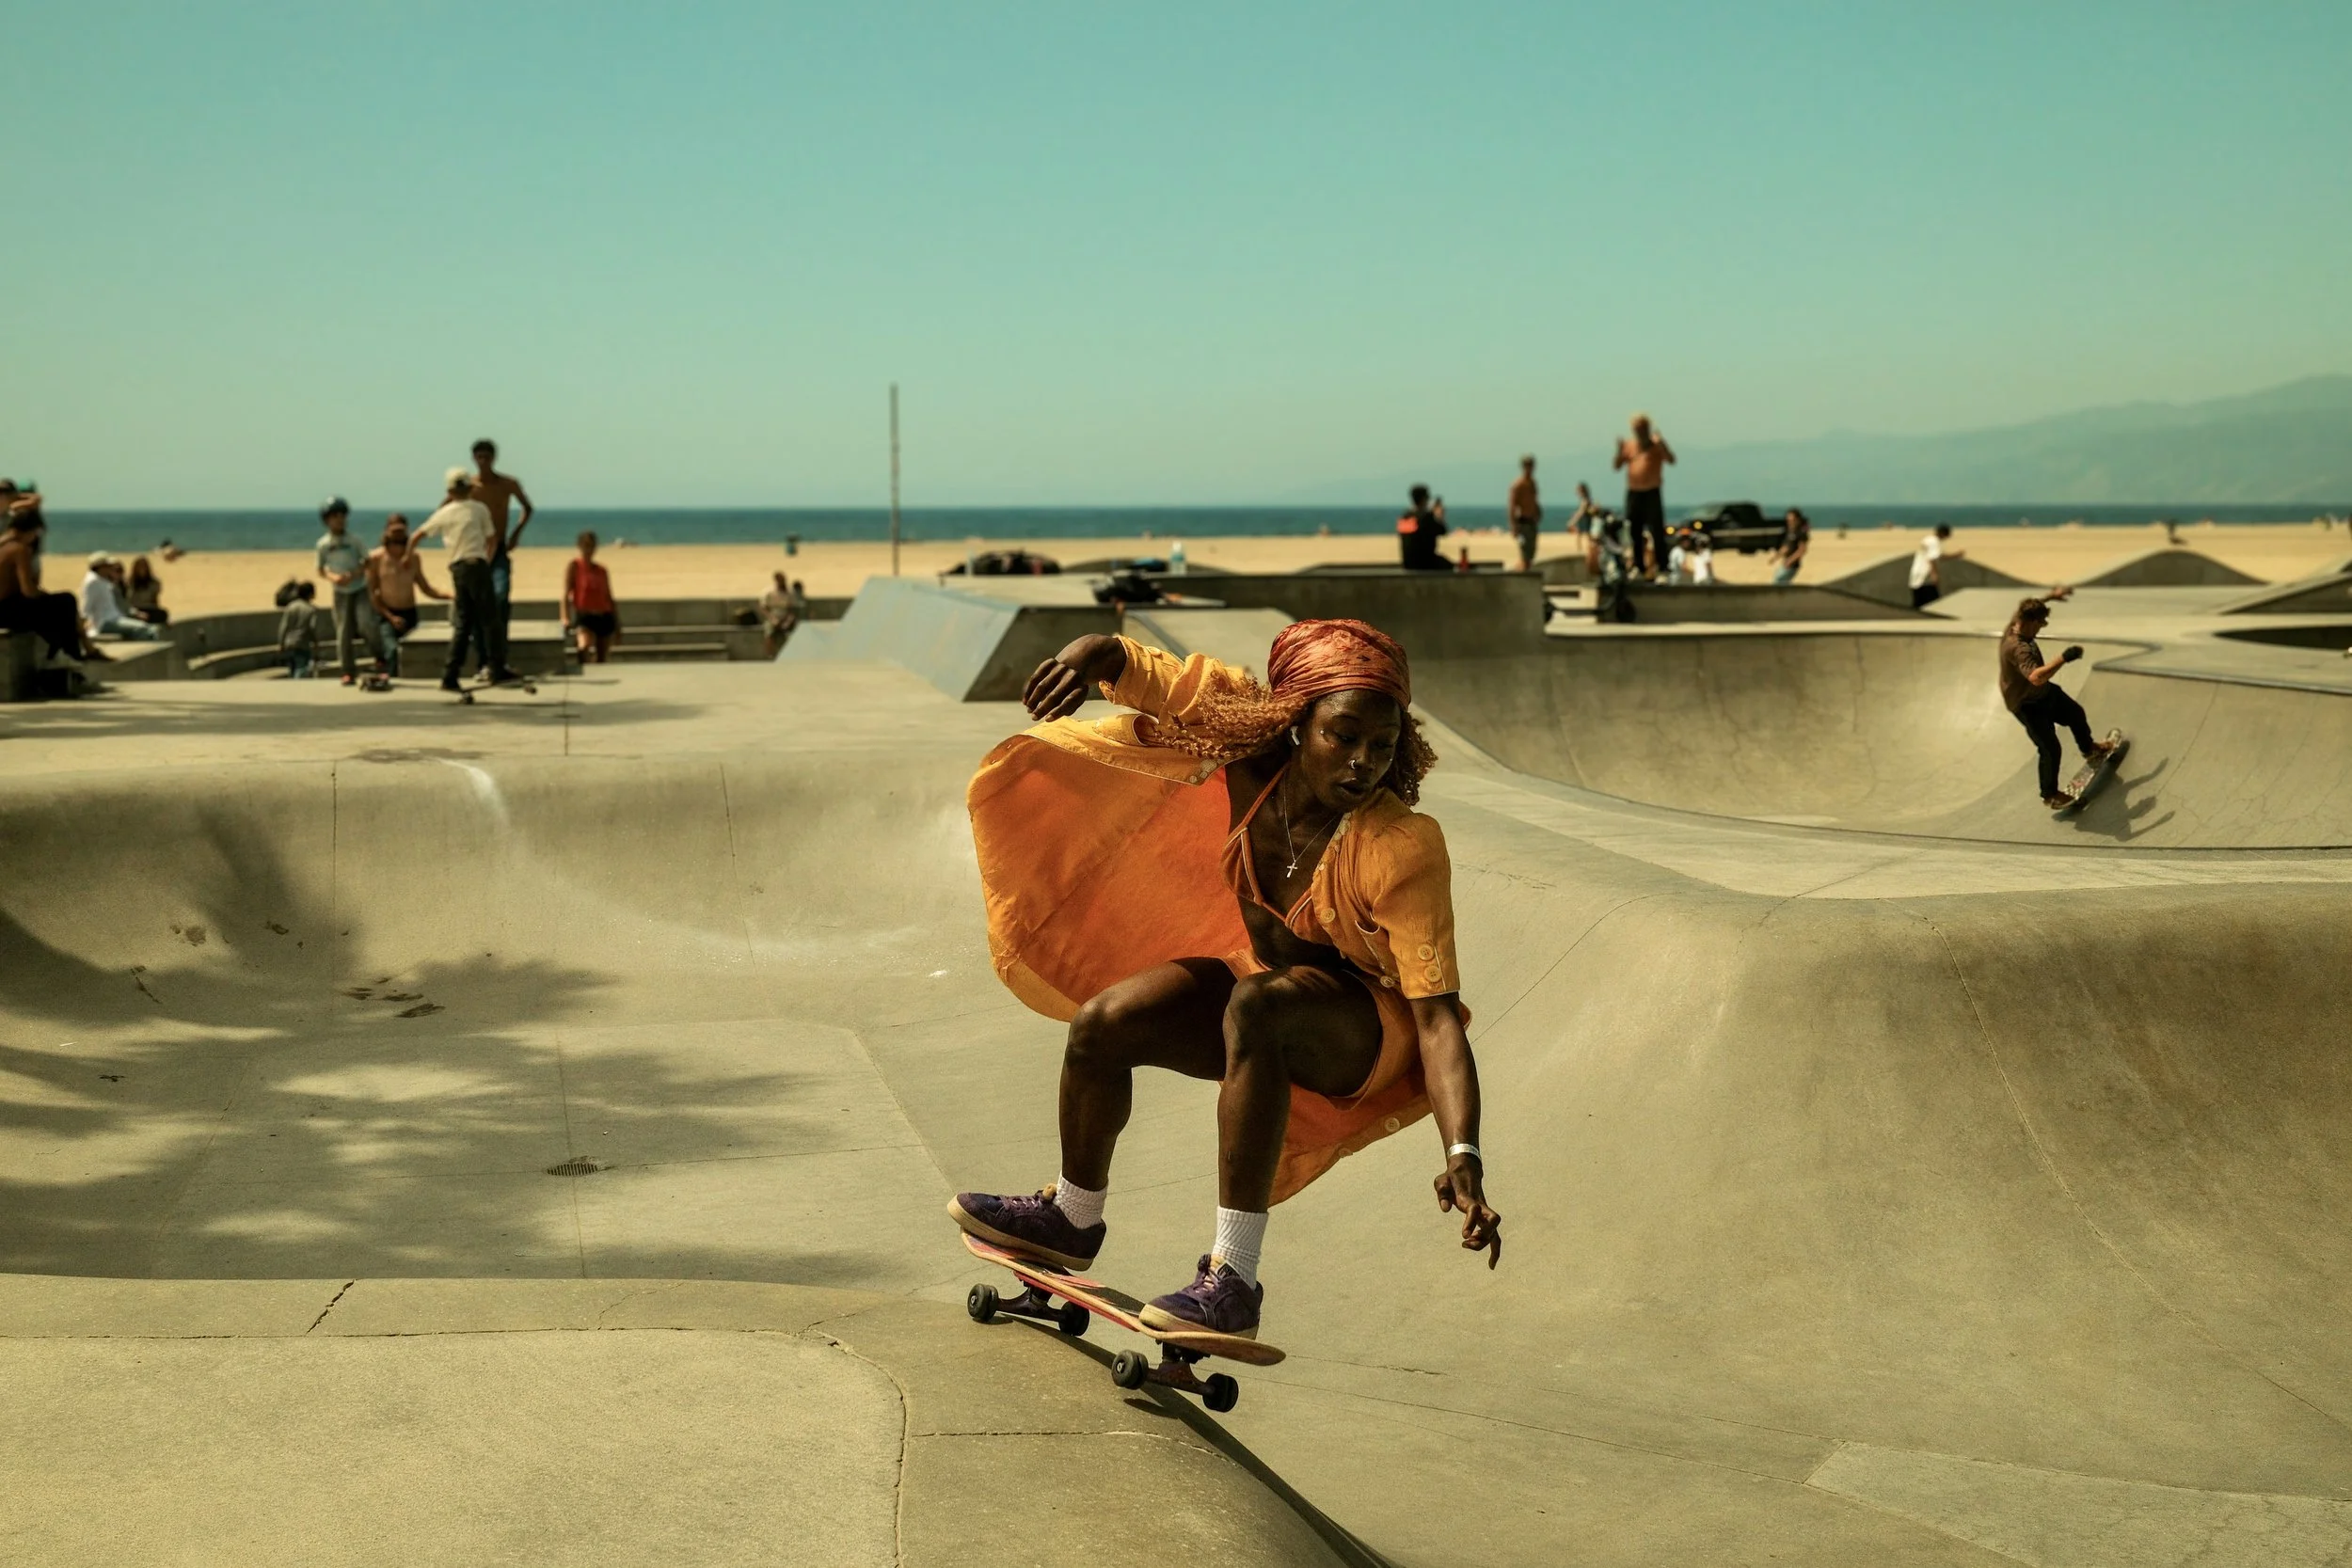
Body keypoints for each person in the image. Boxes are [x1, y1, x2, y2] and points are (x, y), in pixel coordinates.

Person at [951, 620, 1502, 1340]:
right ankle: (1073, 1216)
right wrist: (1090, 654)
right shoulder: (1247, 751)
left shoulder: (1399, 845)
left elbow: (1434, 1017)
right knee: (1105, 1022)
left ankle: (1233, 1278)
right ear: (1296, 723)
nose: (1364, 762)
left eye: (1382, 744)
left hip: (1366, 1032)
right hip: (1266, 993)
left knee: (1259, 1004)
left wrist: (1463, 1153)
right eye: (1344, 736)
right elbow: (1164, 681)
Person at [2000, 588, 2118, 810]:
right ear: (2031, 622)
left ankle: (2089, 749)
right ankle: (2050, 795)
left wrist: (2051, 596)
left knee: (2075, 713)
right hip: (2026, 704)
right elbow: (2036, 677)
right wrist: (2063, 659)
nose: (2041, 628)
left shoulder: (2016, 622)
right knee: (2050, 748)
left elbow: (2026, 606)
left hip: (2043, 694)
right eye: (2040, 624)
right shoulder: (2019, 649)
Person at [409, 468, 520, 690]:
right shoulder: (479, 509)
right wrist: (486, 562)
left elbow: (417, 535)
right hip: (476, 564)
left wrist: (406, 556)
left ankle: (450, 674)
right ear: (470, 489)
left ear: (450, 491)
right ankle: (497, 668)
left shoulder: (446, 512)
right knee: (490, 620)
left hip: (458, 568)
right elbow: (493, 539)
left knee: (464, 622)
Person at [0, 504, 95, 662]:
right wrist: (42, 594)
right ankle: (69, 657)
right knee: (66, 601)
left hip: (6, 607)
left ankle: (59, 653)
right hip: (6, 611)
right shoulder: (19, 549)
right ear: (31, 531)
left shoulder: (4, 546)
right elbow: (28, 591)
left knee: (54, 608)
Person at [469, 439, 534, 648]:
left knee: (500, 595)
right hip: (476, 550)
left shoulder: (507, 484)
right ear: (474, 459)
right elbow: (445, 510)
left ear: (494, 458)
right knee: (476, 602)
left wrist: (515, 534)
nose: (483, 462)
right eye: (480, 457)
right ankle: (483, 655)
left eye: (487, 457)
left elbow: (527, 508)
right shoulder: (470, 487)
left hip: (498, 548)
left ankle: (499, 648)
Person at [363, 514, 446, 676]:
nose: (397, 534)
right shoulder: (376, 558)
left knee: (414, 655)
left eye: (401, 530)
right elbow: (372, 592)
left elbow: (425, 588)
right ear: (386, 531)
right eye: (394, 530)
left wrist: (450, 596)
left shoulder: (413, 557)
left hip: (409, 613)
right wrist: (390, 617)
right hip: (387, 614)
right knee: (392, 651)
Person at [1613, 413, 1676, 578]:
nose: (1640, 432)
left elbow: (1671, 460)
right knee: (1635, 531)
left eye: (1642, 428)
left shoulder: (1656, 446)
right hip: (1634, 492)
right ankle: (1638, 567)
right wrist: (1619, 452)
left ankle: (1663, 567)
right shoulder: (1629, 445)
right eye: (1636, 429)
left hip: (1652, 492)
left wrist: (1662, 443)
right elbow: (1617, 466)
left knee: (1656, 530)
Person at [315, 498, 371, 684]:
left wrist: (354, 574)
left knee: (365, 624)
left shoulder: (354, 540)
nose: (340, 520)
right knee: (343, 632)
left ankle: (380, 658)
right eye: (335, 517)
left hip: (359, 588)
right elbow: (321, 569)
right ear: (326, 520)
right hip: (340, 592)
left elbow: (367, 561)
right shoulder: (323, 544)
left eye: (342, 516)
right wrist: (334, 578)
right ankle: (347, 671)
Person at [562, 530, 618, 663]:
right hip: (584, 615)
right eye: (586, 546)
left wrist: (617, 622)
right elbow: (566, 593)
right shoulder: (574, 566)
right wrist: (565, 617)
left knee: (601, 657)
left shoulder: (601, 570)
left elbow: (609, 596)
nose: (589, 549)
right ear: (580, 546)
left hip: (603, 615)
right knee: (584, 646)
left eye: (592, 546)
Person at [80, 553, 162, 641]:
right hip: (106, 622)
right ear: (101, 567)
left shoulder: (102, 580)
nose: (110, 569)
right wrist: (81, 628)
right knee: (143, 629)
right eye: (108, 566)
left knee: (150, 629)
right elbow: (86, 606)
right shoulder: (93, 582)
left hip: (115, 618)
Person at [1910, 523, 1963, 610]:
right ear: (1943, 534)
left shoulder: (1927, 539)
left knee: (1918, 600)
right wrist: (1934, 574)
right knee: (1933, 602)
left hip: (1916, 571)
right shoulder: (1935, 542)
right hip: (1926, 575)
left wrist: (1955, 555)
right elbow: (1932, 559)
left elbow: (1938, 556)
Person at [1396, 485, 1448, 572]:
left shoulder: (1405, 517)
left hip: (1408, 563)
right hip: (1425, 562)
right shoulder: (1426, 517)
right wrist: (1439, 516)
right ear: (1425, 499)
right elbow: (1443, 531)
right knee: (1449, 566)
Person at [1506, 456, 1543, 571]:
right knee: (1524, 553)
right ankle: (1522, 573)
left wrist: (1538, 511)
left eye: (1532, 466)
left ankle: (1525, 572)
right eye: (1528, 466)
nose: (1530, 468)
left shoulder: (1532, 483)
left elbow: (1534, 500)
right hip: (1523, 522)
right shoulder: (1518, 485)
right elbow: (1512, 506)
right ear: (1523, 467)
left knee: (1531, 553)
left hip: (1532, 522)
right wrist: (1513, 526)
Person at [278, 581, 319, 678]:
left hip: (289, 643)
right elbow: (312, 627)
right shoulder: (310, 609)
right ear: (310, 594)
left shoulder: (290, 607)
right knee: (301, 669)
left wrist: (281, 643)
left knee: (292, 669)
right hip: (302, 643)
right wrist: (315, 642)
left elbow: (284, 627)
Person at [760, 571, 806, 656]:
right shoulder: (768, 592)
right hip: (773, 616)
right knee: (769, 633)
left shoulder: (790, 592)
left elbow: (792, 610)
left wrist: (788, 621)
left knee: (795, 631)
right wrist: (773, 619)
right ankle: (770, 655)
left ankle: (794, 654)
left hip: (786, 616)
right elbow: (764, 608)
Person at [124, 556, 169, 624]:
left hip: (148, 608)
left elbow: (155, 600)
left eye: (144, 566)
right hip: (136, 609)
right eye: (139, 566)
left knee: (163, 614)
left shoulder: (154, 582)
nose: (142, 569)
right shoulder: (129, 582)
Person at [1772, 509, 1811, 585]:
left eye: (1792, 520)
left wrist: (1790, 560)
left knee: (1779, 581)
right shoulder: (1790, 532)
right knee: (1780, 581)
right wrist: (1776, 557)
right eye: (1788, 520)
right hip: (1786, 563)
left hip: (1793, 565)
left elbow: (1802, 550)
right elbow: (1786, 547)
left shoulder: (1801, 533)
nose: (1790, 522)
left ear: (1797, 520)